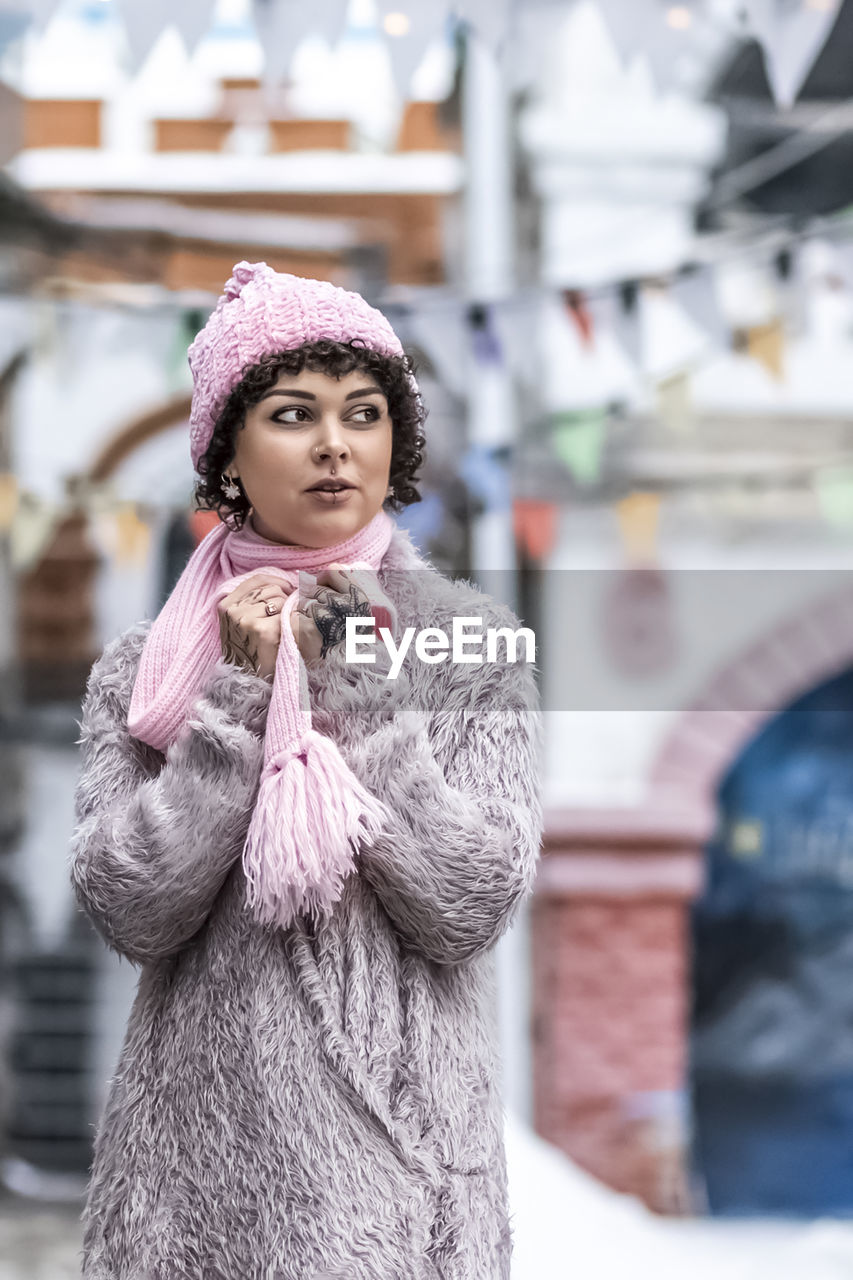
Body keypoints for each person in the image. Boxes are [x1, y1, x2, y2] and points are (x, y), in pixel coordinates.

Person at [68, 261, 544, 1279]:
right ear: (227, 450)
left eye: (363, 413)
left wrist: (365, 693)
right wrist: (235, 704)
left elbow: (468, 903)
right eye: (292, 413)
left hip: (402, 1174)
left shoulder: (470, 646)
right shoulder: (145, 672)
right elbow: (129, 908)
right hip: (198, 1187)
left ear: (395, 443)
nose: (334, 444)